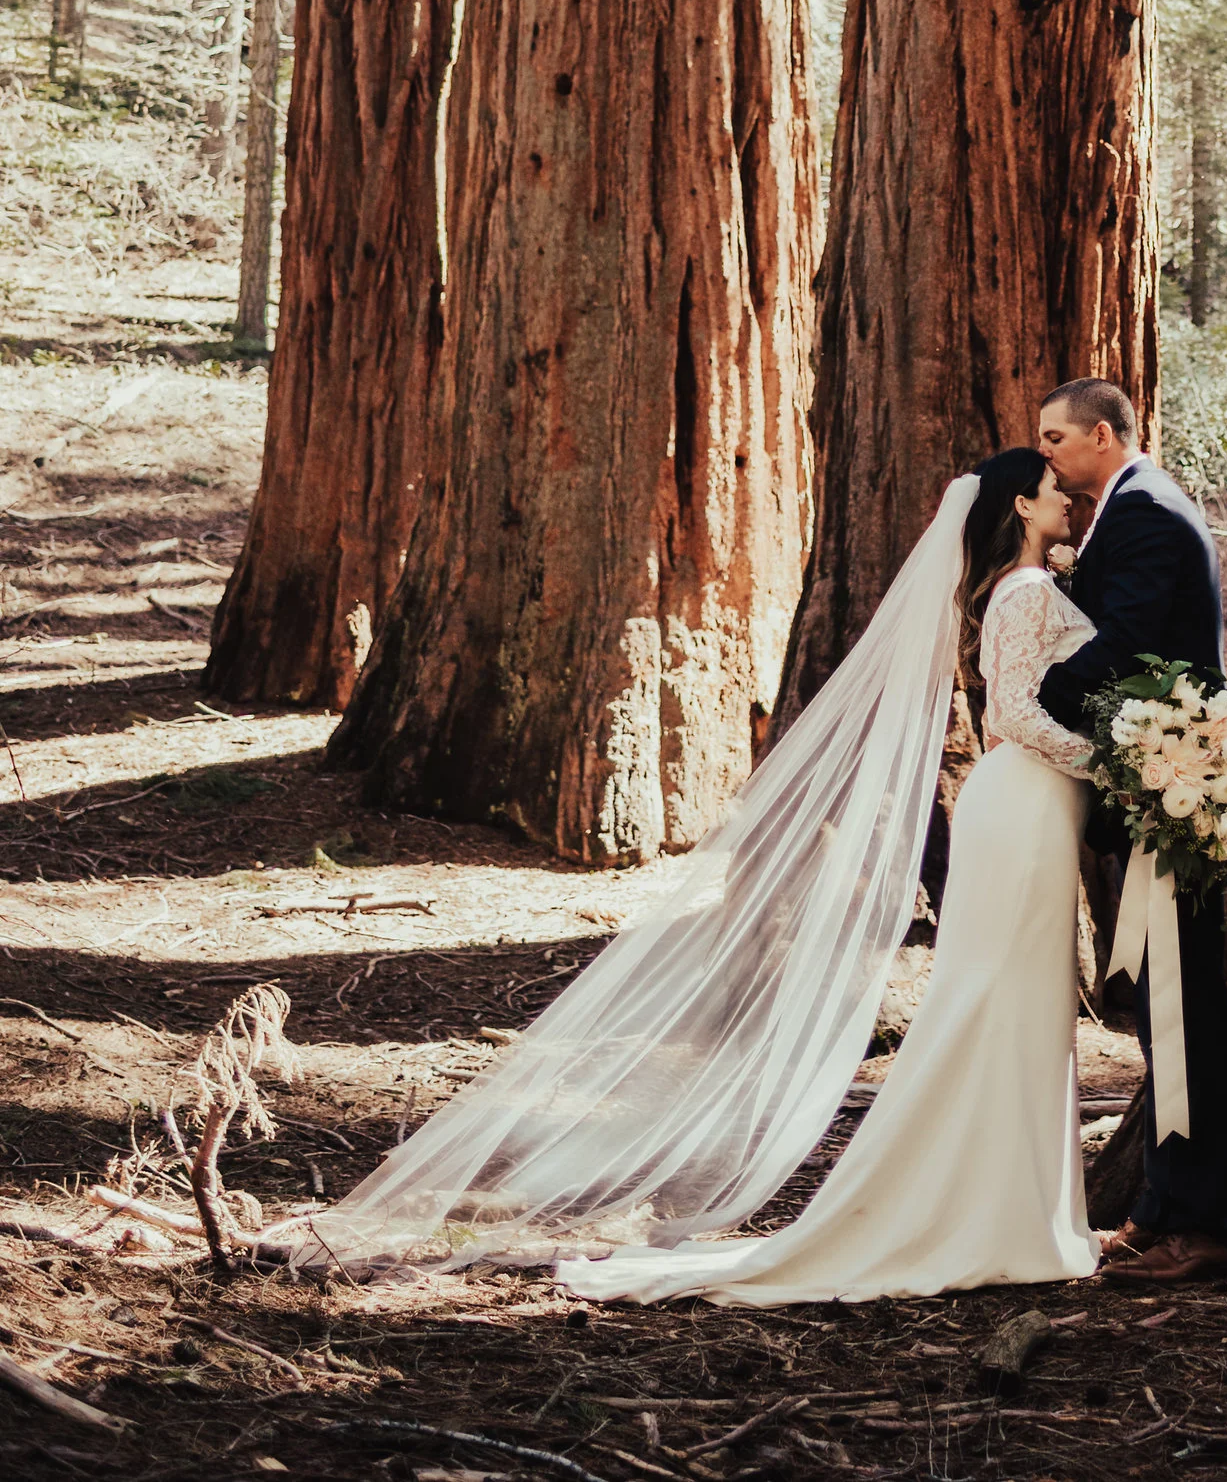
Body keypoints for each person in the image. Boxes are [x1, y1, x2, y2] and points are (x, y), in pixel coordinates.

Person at [281, 452, 1111, 1302]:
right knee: (1000, 1001)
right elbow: (1013, 714)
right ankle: (987, 1211)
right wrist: (1113, 761)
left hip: (1028, 805)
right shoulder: (1024, 592)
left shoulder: (1025, 587)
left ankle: (1014, 1208)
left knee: (1018, 1002)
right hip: (1024, 804)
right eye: (1056, 487)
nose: (1071, 499)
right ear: (1021, 504)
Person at [1037, 376, 1227, 1285]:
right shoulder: (1128, 509)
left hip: (1172, 794)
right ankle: (1161, 1210)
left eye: (1055, 437)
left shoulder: (1147, 513)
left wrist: (1036, 696)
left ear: (1103, 435)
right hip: (1156, 790)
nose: (1046, 454)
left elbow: (1125, 644)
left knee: (1186, 1014)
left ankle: (1202, 1227)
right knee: (1166, 1014)